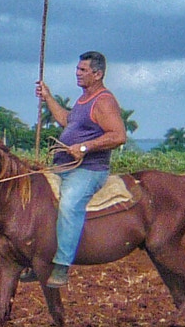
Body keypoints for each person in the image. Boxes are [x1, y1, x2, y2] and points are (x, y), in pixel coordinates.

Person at [34, 50, 128, 287]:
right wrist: (48, 97)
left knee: (69, 204)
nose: (77, 73)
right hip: (63, 166)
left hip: (88, 170)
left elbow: (118, 135)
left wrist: (85, 147)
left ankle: (62, 265)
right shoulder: (83, 99)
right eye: (78, 69)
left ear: (98, 74)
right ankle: (37, 258)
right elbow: (67, 120)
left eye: (83, 70)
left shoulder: (104, 101)